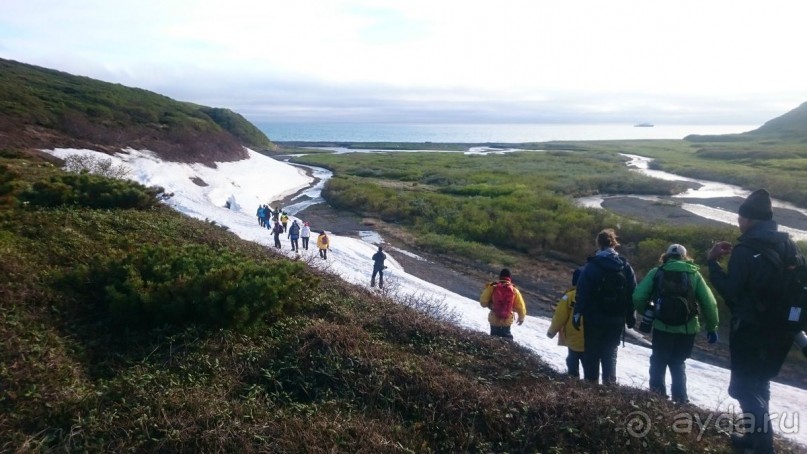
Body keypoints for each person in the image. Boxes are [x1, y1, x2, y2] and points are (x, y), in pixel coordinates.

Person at [707, 189, 804, 452]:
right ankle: (753, 439)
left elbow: (731, 292)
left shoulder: (745, 250)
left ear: (749, 220)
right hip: (780, 332)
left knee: (740, 389)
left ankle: (763, 445)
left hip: (750, 331)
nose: (739, 221)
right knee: (760, 383)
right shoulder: (790, 246)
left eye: (741, 217)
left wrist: (712, 263)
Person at [632, 243, 719, 404]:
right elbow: (710, 303)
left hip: (662, 327)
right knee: (678, 363)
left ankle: (656, 398)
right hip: (687, 329)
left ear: (666, 256)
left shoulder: (657, 272)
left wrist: (649, 313)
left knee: (658, 361)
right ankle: (680, 401)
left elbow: (638, 297)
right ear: (685, 257)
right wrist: (712, 327)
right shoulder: (694, 274)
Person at [572, 228, 637, 385]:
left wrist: (577, 312)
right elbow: (632, 292)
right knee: (610, 353)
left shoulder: (592, 265)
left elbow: (582, 291)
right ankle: (609, 387)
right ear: (614, 244)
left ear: (598, 243)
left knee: (591, 352)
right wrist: (631, 316)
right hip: (616, 318)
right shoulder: (625, 266)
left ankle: (591, 386)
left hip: (594, 317)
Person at [547, 267, 585, 378]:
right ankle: (591, 385)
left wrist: (551, 332)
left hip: (574, 334)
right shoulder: (593, 296)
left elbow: (560, 316)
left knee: (572, 359)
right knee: (588, 363)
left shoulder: (569, 296)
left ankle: (573, 380)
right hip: (590, 337)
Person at [479, 268, 527, 339]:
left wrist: (490, 305)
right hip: (507, 321)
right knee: (507, 341)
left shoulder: (492, 287)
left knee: (493, 341)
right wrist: (521, 318)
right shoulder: (514, 290)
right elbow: (521, 307)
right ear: (510, 278)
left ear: (500, 277)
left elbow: (483, 302)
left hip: (494, 320)